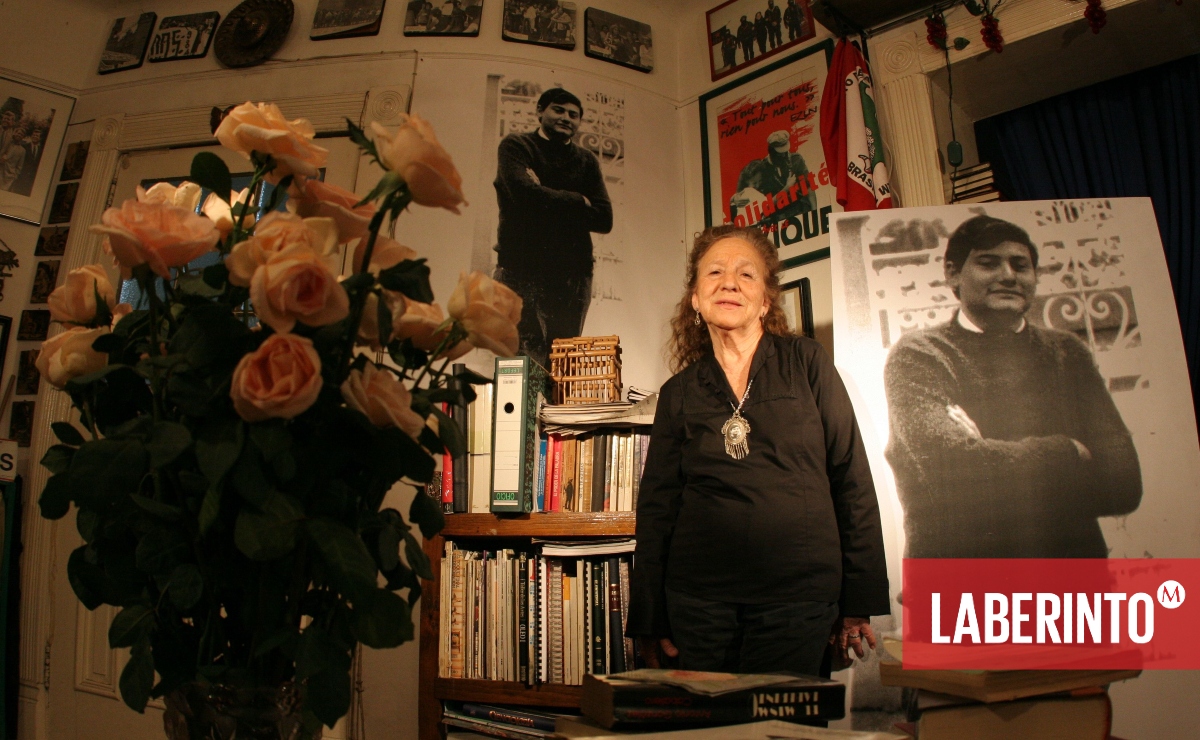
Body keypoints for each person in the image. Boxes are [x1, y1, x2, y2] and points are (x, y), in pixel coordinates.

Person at [628, 225, 890, 680]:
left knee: (780, 718)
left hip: (798, 600)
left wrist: (858, 601)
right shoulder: (678, 393)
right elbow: (657, 511)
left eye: (746, 274)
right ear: (695, 298)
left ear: (766, 301)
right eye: (715, 272)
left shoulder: (807, 363)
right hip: (698, 605)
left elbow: (851, 479)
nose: (729, 283)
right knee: (708, 721)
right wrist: (649, 617)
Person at [884, 215, 1142, 559]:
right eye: (989, 263)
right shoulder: (920, 355)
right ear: (953, 273)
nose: (1008, 276)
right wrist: (1068, 450)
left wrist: (985, 459)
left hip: (1071, 573)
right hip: (964, 576)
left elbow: (1123, 485)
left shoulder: (1067, 352)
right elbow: (952, 472)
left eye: (1020, 265)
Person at [493, 88, 612, 369]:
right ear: (540, 111)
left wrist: (542, 194)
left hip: (572, 275)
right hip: (520, 269)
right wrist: (578, 200)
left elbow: (604, 218)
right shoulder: (516, 147)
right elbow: (523, 195)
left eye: (573, 114)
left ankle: (556, 401)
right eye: (558, 110)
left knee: (563, 362)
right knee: (521, 362)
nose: (566, 118)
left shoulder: (586, 161)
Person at [729, 130, 818, 226]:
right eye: (780, 153)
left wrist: (814, 213)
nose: (784, 156)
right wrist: (734, 198)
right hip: (777, 217)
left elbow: (809, 188)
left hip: (799, 209)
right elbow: (746, 190)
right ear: (771, 151)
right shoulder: (762, 167)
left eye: (785, 152)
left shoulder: (796, 160)